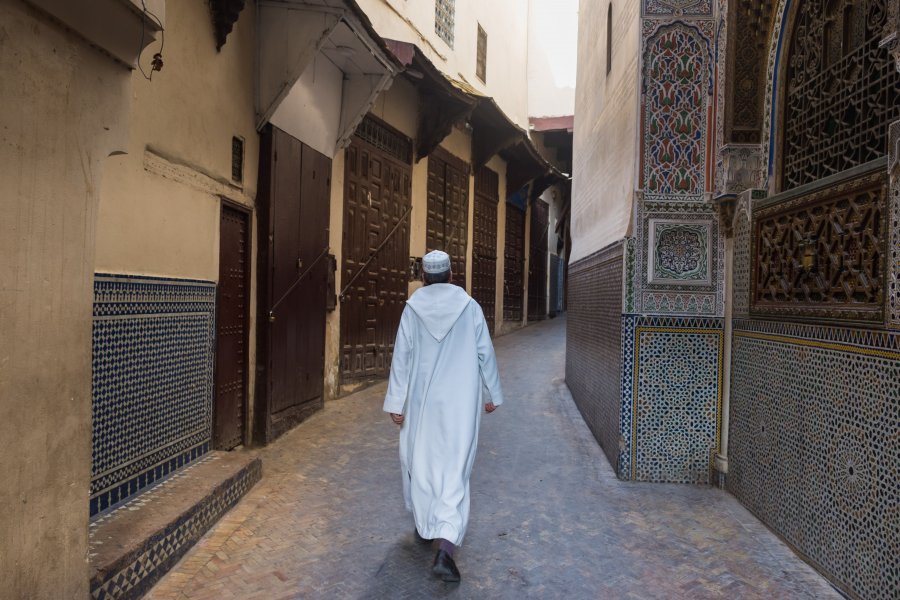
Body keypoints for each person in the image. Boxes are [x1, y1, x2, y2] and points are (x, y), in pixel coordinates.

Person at [383, 250, 504, 582]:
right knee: (454, 472)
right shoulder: (470, 308)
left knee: (421, 465)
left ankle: (426, 526)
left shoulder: (413, 310)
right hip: (461, 407)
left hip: (423, 406)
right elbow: (485, 352)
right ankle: (445, 551)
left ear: (424, 278)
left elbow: (402, 357)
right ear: (452, 276)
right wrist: (492, 393)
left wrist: (397, 402)